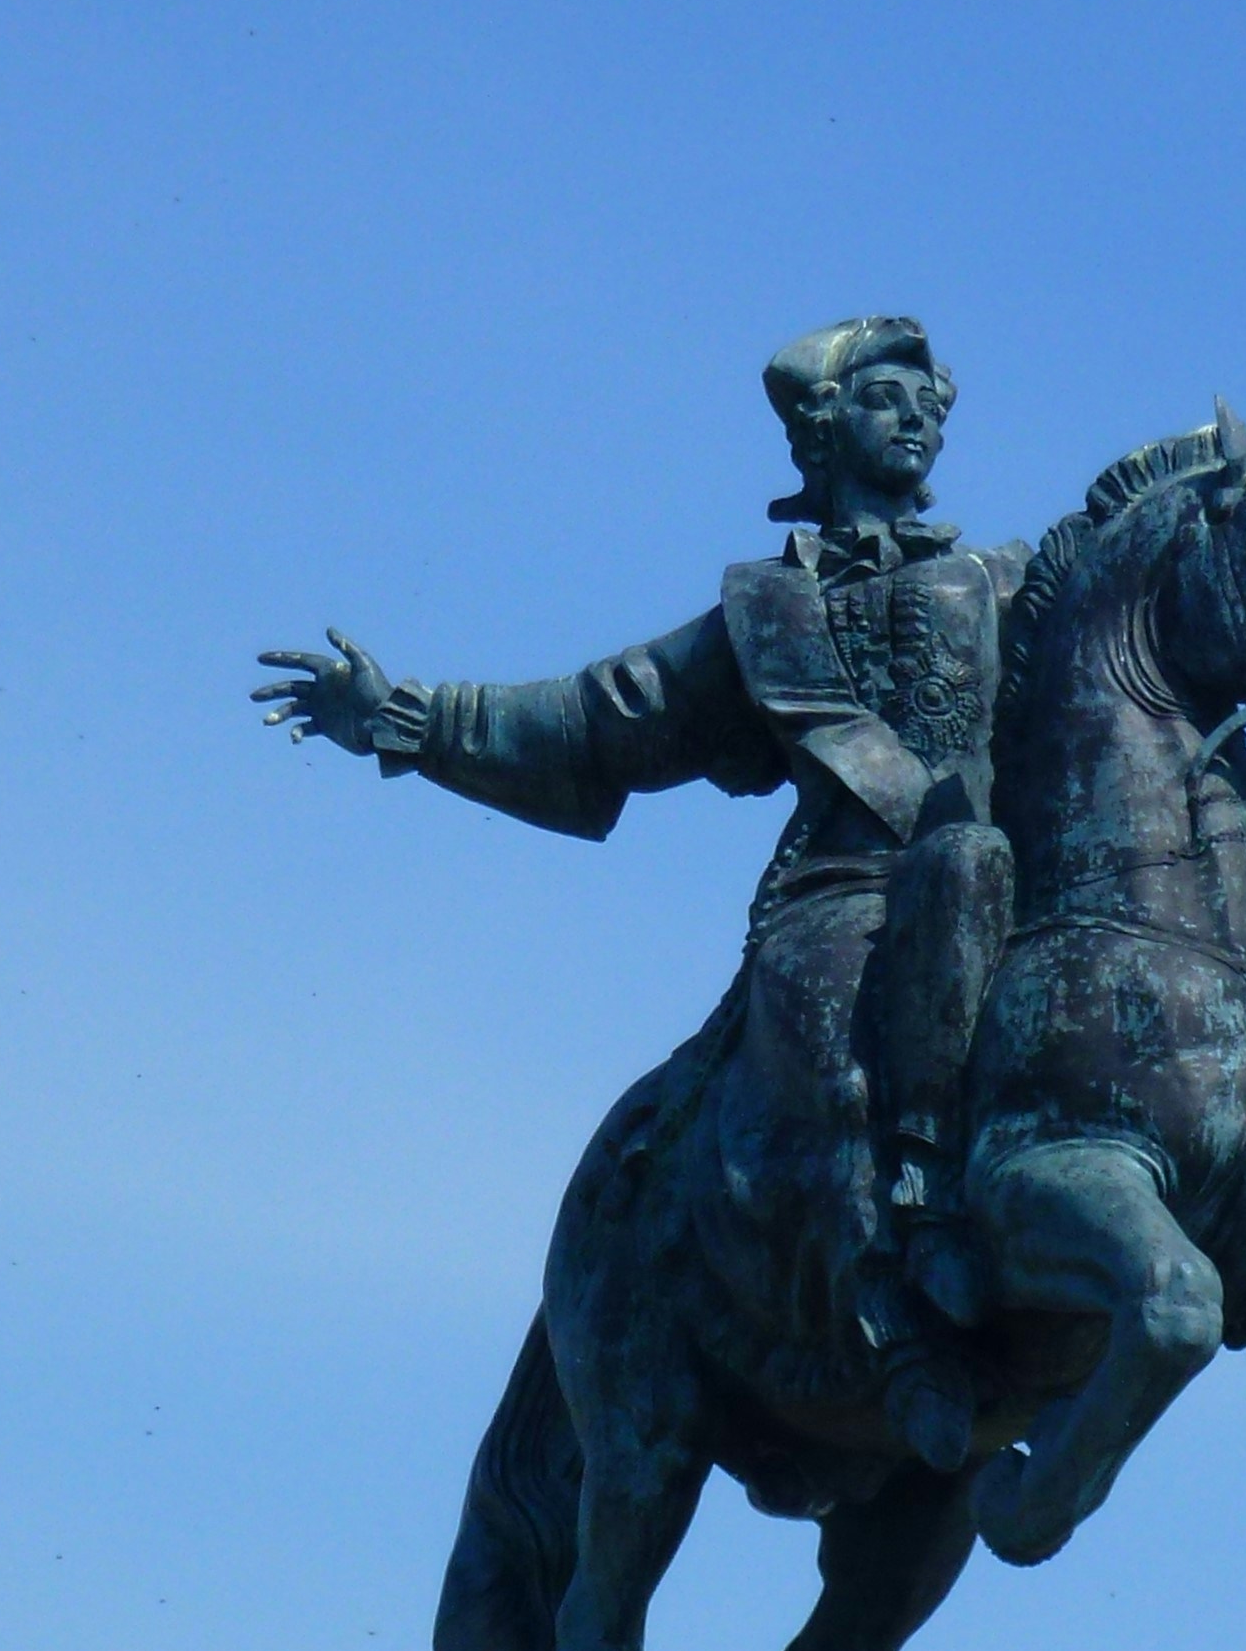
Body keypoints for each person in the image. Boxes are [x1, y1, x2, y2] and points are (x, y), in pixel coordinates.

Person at [257, 317, 1018, 1472]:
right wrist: (403, 718)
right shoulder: (765, 611)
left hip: (989, 878)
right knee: (827, 1036)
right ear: (822, 432)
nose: (914, 415)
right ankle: (896, 1256)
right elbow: (597, 717)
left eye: (929, 401)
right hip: (838, 891)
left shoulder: (1006, 582)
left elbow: (1132, 652)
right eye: (883, 396)